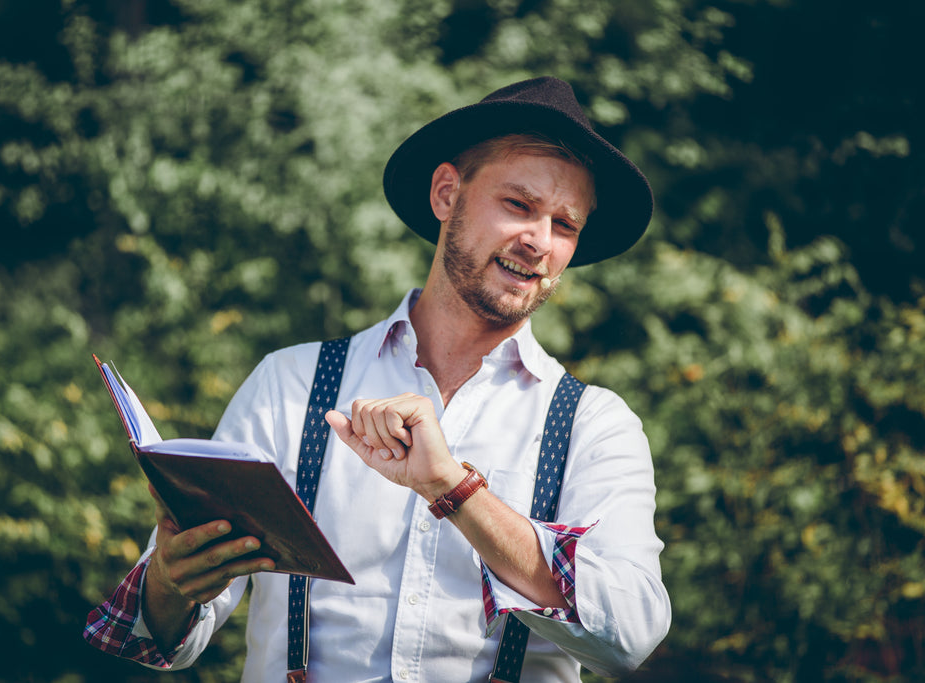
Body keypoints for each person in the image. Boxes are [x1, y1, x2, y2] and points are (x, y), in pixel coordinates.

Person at [84, 76, 671, 681]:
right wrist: (171, 581)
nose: (539, 242)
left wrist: (455, 490)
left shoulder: (594, 425)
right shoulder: (291, 383)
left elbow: (630, 635)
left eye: (565, 225)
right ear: (447, 194)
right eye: (518, 205)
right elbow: (166, 637)